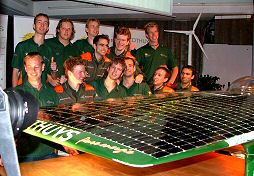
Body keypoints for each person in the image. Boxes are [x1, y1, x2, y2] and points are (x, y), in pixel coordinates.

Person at [15, 52, 59, 162]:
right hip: (25, 155)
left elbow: (57, 122)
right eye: (29, 67)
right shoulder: (17, 93)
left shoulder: (52, 93)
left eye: (36, 67)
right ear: (25, 68)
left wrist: (55, 148)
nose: (33, 71)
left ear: (43, 67)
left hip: (49, 152)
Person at [12, 13, 56, 87]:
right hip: (25, 90)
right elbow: (15, 72)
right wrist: (15, 93)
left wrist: (54, 70)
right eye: (39, 22)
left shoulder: (49, 49)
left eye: (45, 23)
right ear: (34, 26)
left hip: (43, 91)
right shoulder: (22, 46)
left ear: (47, 28)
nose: (42, 25)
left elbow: (50, 77)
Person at [45, 18, 80, 84]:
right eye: (63, 28)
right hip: (49, 87)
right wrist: (49, 79)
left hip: (68, 88)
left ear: (72, 31)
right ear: (58, 30)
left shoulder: (75, 49)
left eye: (69, 29)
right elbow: (39, 66)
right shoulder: (47, 44)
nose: (66, 31)